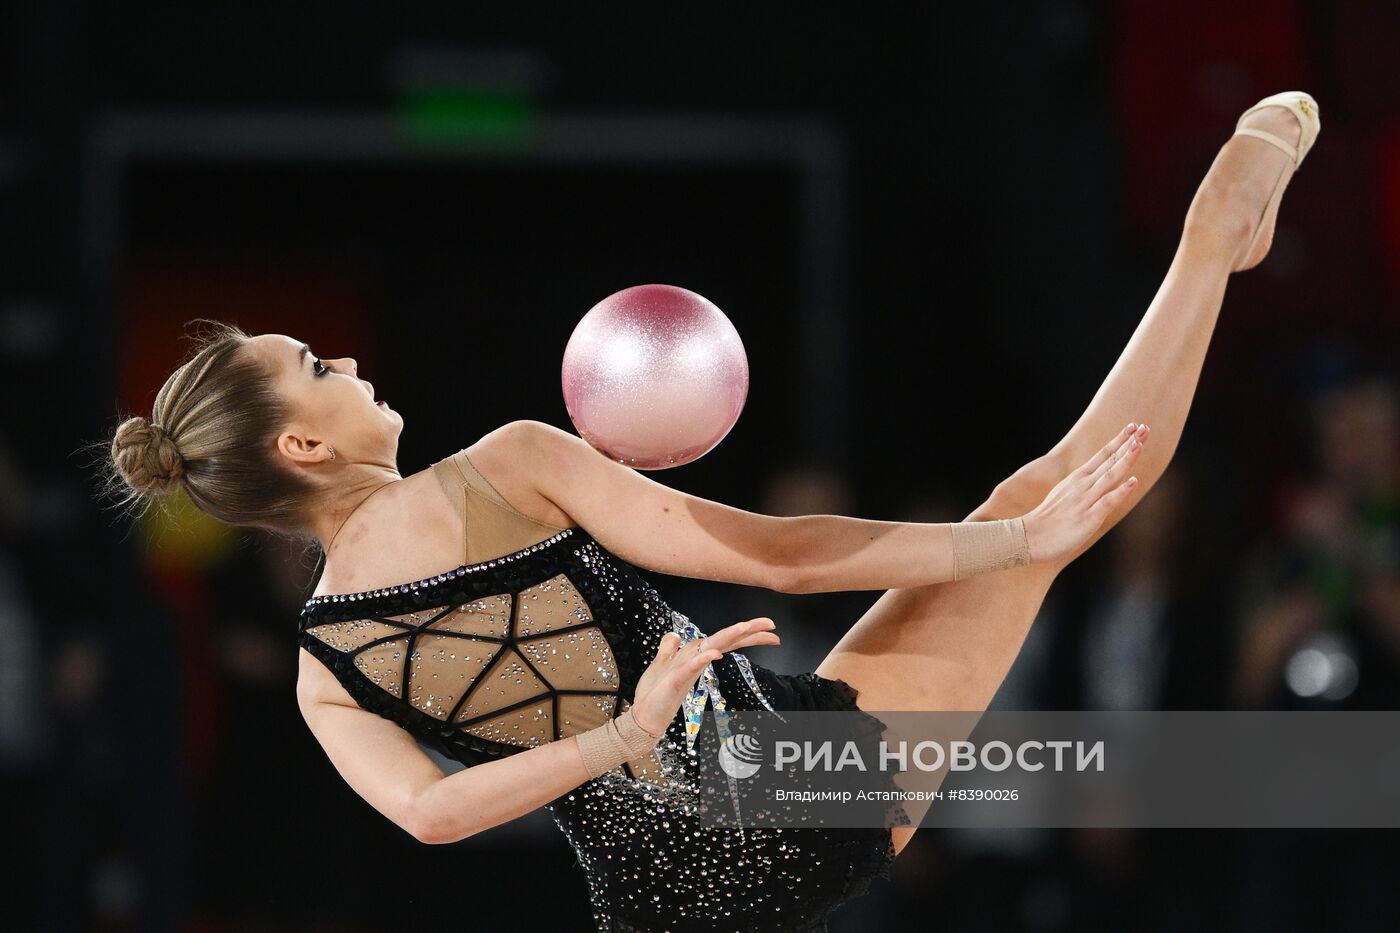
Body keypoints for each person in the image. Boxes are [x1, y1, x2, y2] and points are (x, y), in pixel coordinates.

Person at [99, 91, 1319, 931]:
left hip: (657, 900)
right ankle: (1206, 251)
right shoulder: (504, 464)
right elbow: (780, 558)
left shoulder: (324, 663)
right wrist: (1010, 546)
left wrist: (620, 746)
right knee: (1038, 494)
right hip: (795, 784)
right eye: (317, 367)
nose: (349, 367)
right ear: (301, 444)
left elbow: (427, 815)